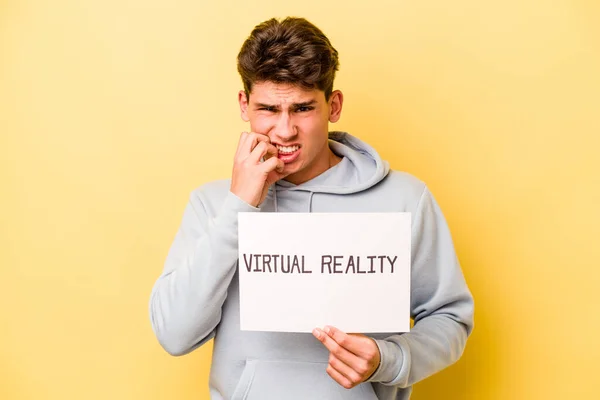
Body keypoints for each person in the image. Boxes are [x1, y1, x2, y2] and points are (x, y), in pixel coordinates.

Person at [149, 16, 474, 400]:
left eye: (303, 109)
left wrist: (390, 359)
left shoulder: (404, 200)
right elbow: (174, 333)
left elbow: (450, 319)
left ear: (333, 105)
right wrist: (239, 207)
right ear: (244, 104)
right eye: (268, 109)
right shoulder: (212, 205)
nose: (284, 131)